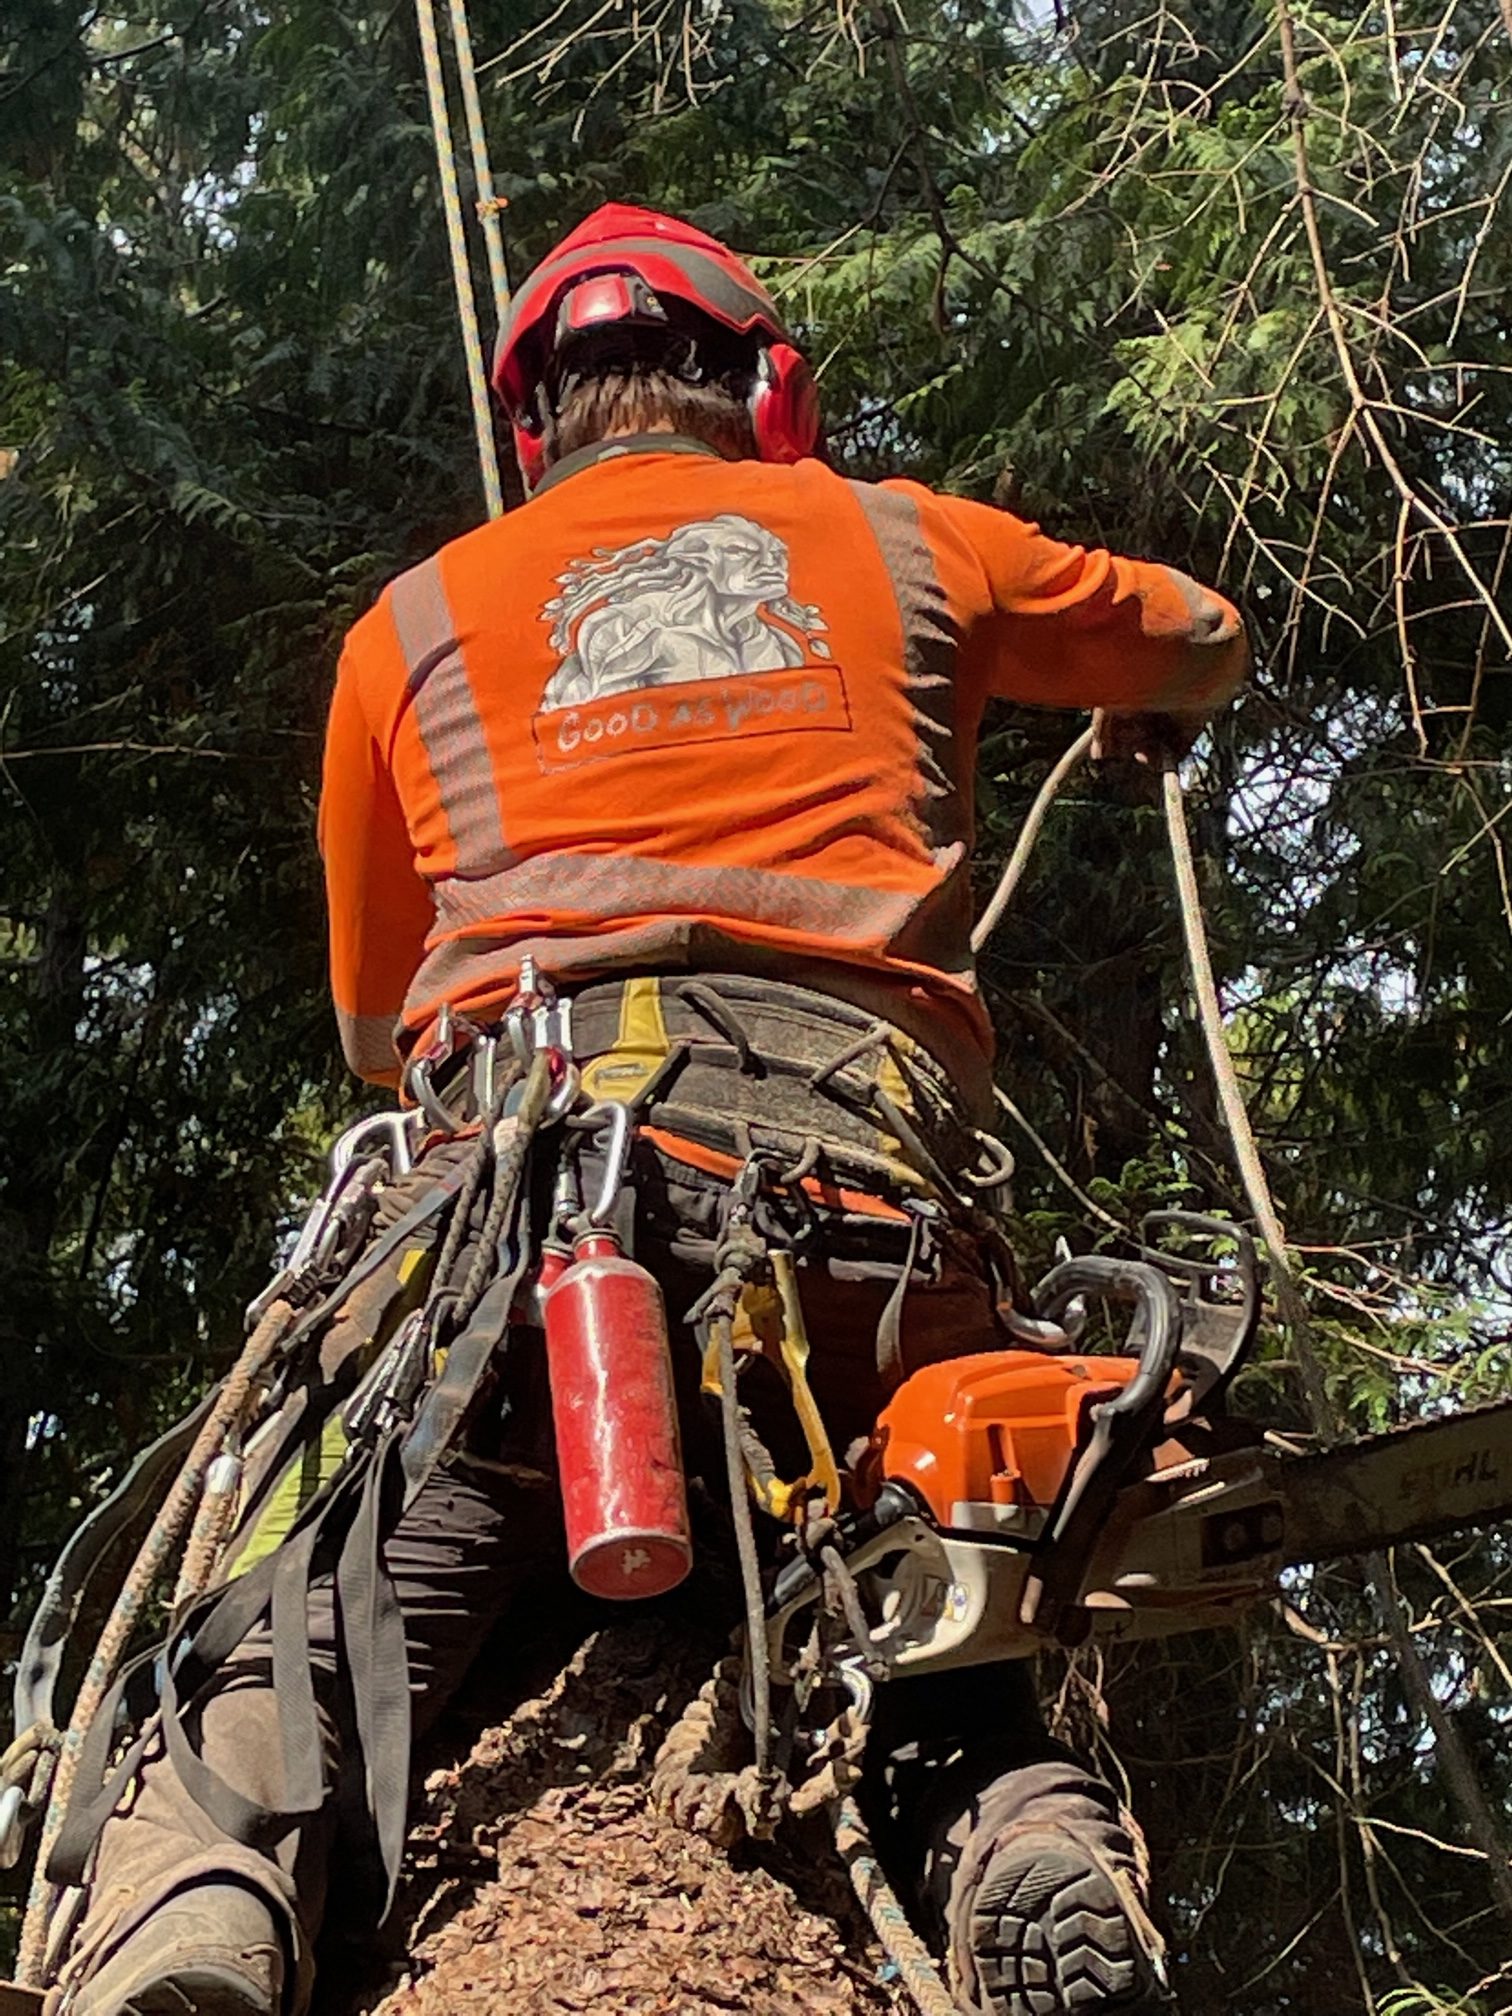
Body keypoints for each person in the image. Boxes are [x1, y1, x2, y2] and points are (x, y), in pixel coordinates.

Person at [53, 204, 1246, 2016]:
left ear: (538, 428)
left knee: (291, 1653)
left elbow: (379, 1028)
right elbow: (1198, 633)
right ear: (774, 396)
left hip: (529, 1250)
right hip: (868, 1233)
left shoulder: (415, 624)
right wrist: (1151, 710)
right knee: (935, 1625)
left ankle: (202, 1912)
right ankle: (1027, 1841)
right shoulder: (910, 544)